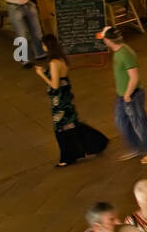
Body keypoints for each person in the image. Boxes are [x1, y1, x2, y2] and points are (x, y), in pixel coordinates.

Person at [34, 34, 108, 166]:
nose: (42, 46)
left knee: (61, 128)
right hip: (67, 97)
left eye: (43, 44)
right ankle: (94, 144)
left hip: (60, 101)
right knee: (72, 124)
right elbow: (61, 78)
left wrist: (41, 75)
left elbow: (55, 85)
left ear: (47, 46)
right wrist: (46, 72)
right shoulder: (61, 59)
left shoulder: (53, 63)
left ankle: (67, 157)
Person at [97, 26, 147, 164]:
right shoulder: (119, 51)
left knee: (139, 124)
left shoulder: (124, 54)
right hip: (123, 95)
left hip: (132, 95)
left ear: (109, 40)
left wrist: (127, 95)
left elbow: (134, 76)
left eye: (104, 39)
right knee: (122, 122)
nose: (103, 42)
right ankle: (135, 148)